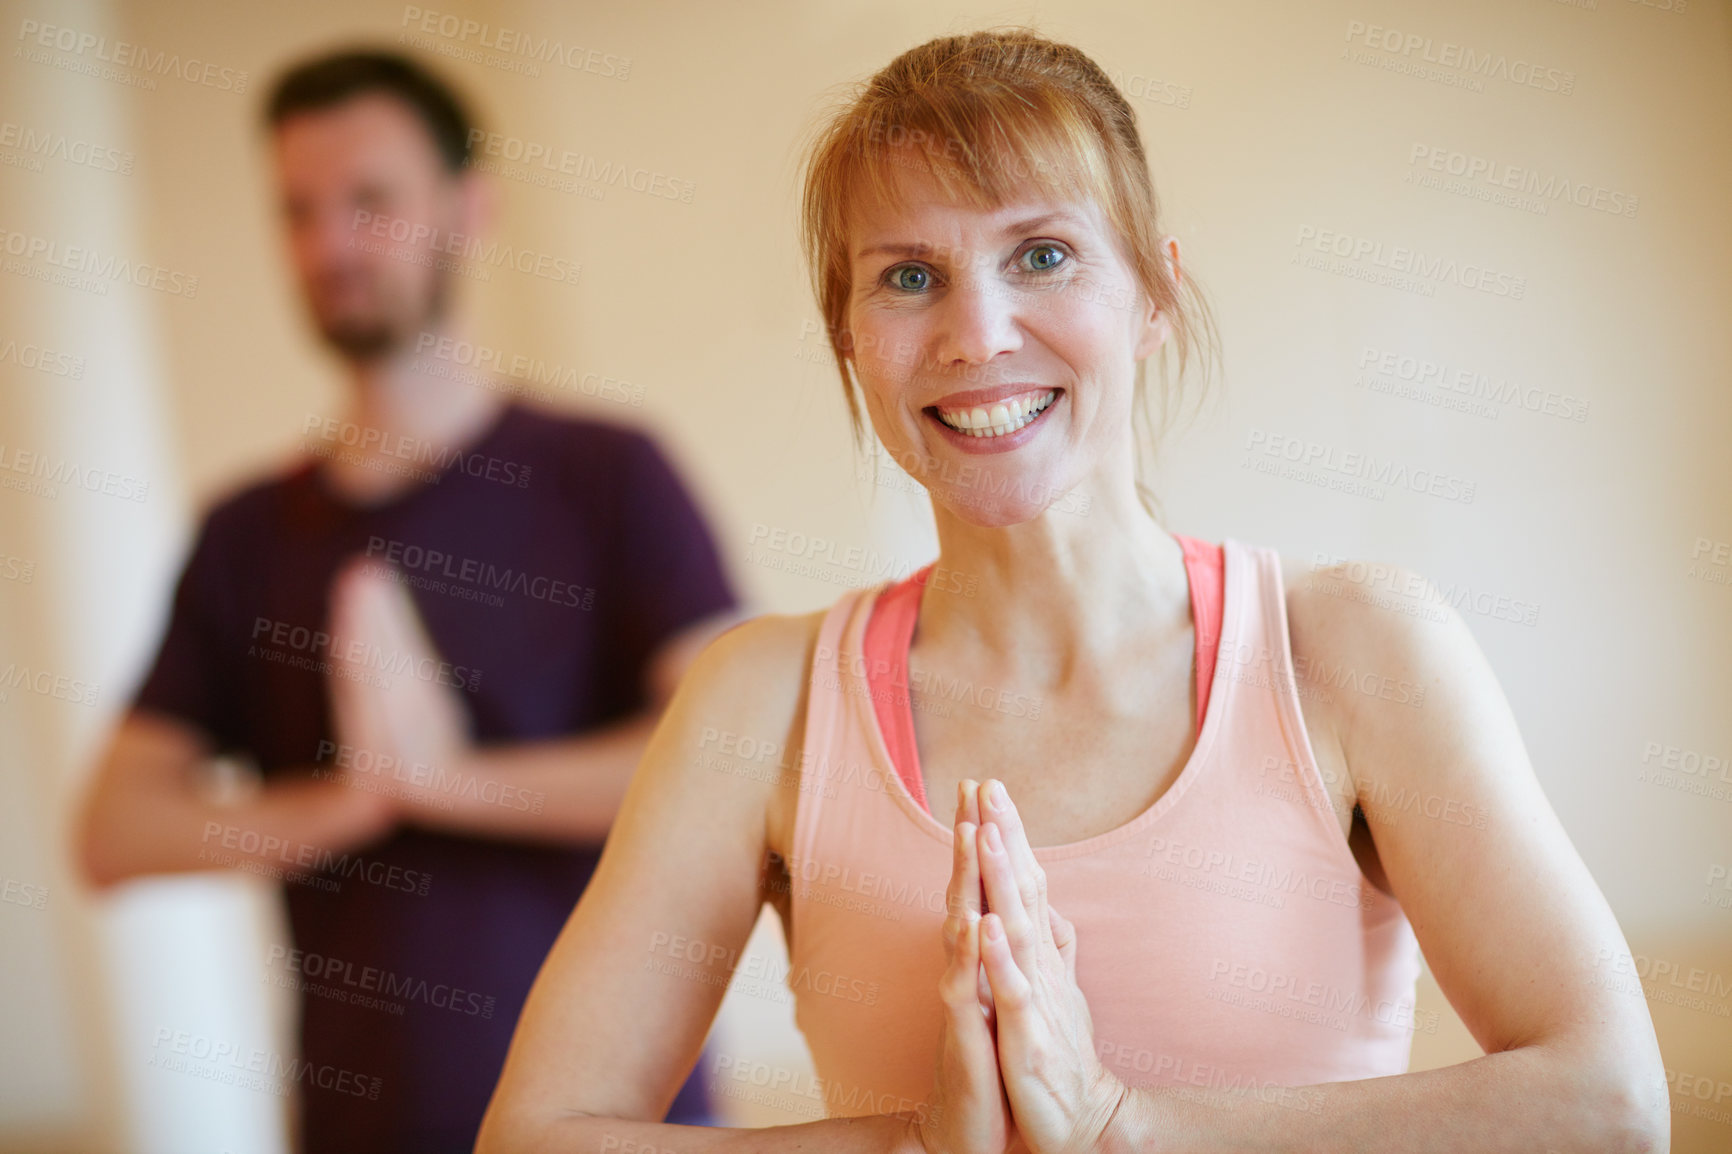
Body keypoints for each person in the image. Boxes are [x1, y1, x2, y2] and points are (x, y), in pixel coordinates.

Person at [476, 29, 1668, 1154]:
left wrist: (1115, 1122)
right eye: (906, 276)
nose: (976, 332)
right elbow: (534, 1137)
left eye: (1041, 254)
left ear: (1153, 292)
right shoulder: (760, 699)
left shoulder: (1354, 647)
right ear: (847, 331)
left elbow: (1607, 1098)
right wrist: (922, 1139)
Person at [74, 51, 737, 1153]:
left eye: (370, 202)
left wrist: (448, 781)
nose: (329, 244)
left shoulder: (608, 472)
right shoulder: (246, 533)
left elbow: (725, 763)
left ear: (470, 208)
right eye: (299, 210)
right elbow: (113, 829)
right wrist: (348, 802)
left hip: (622, 1125)